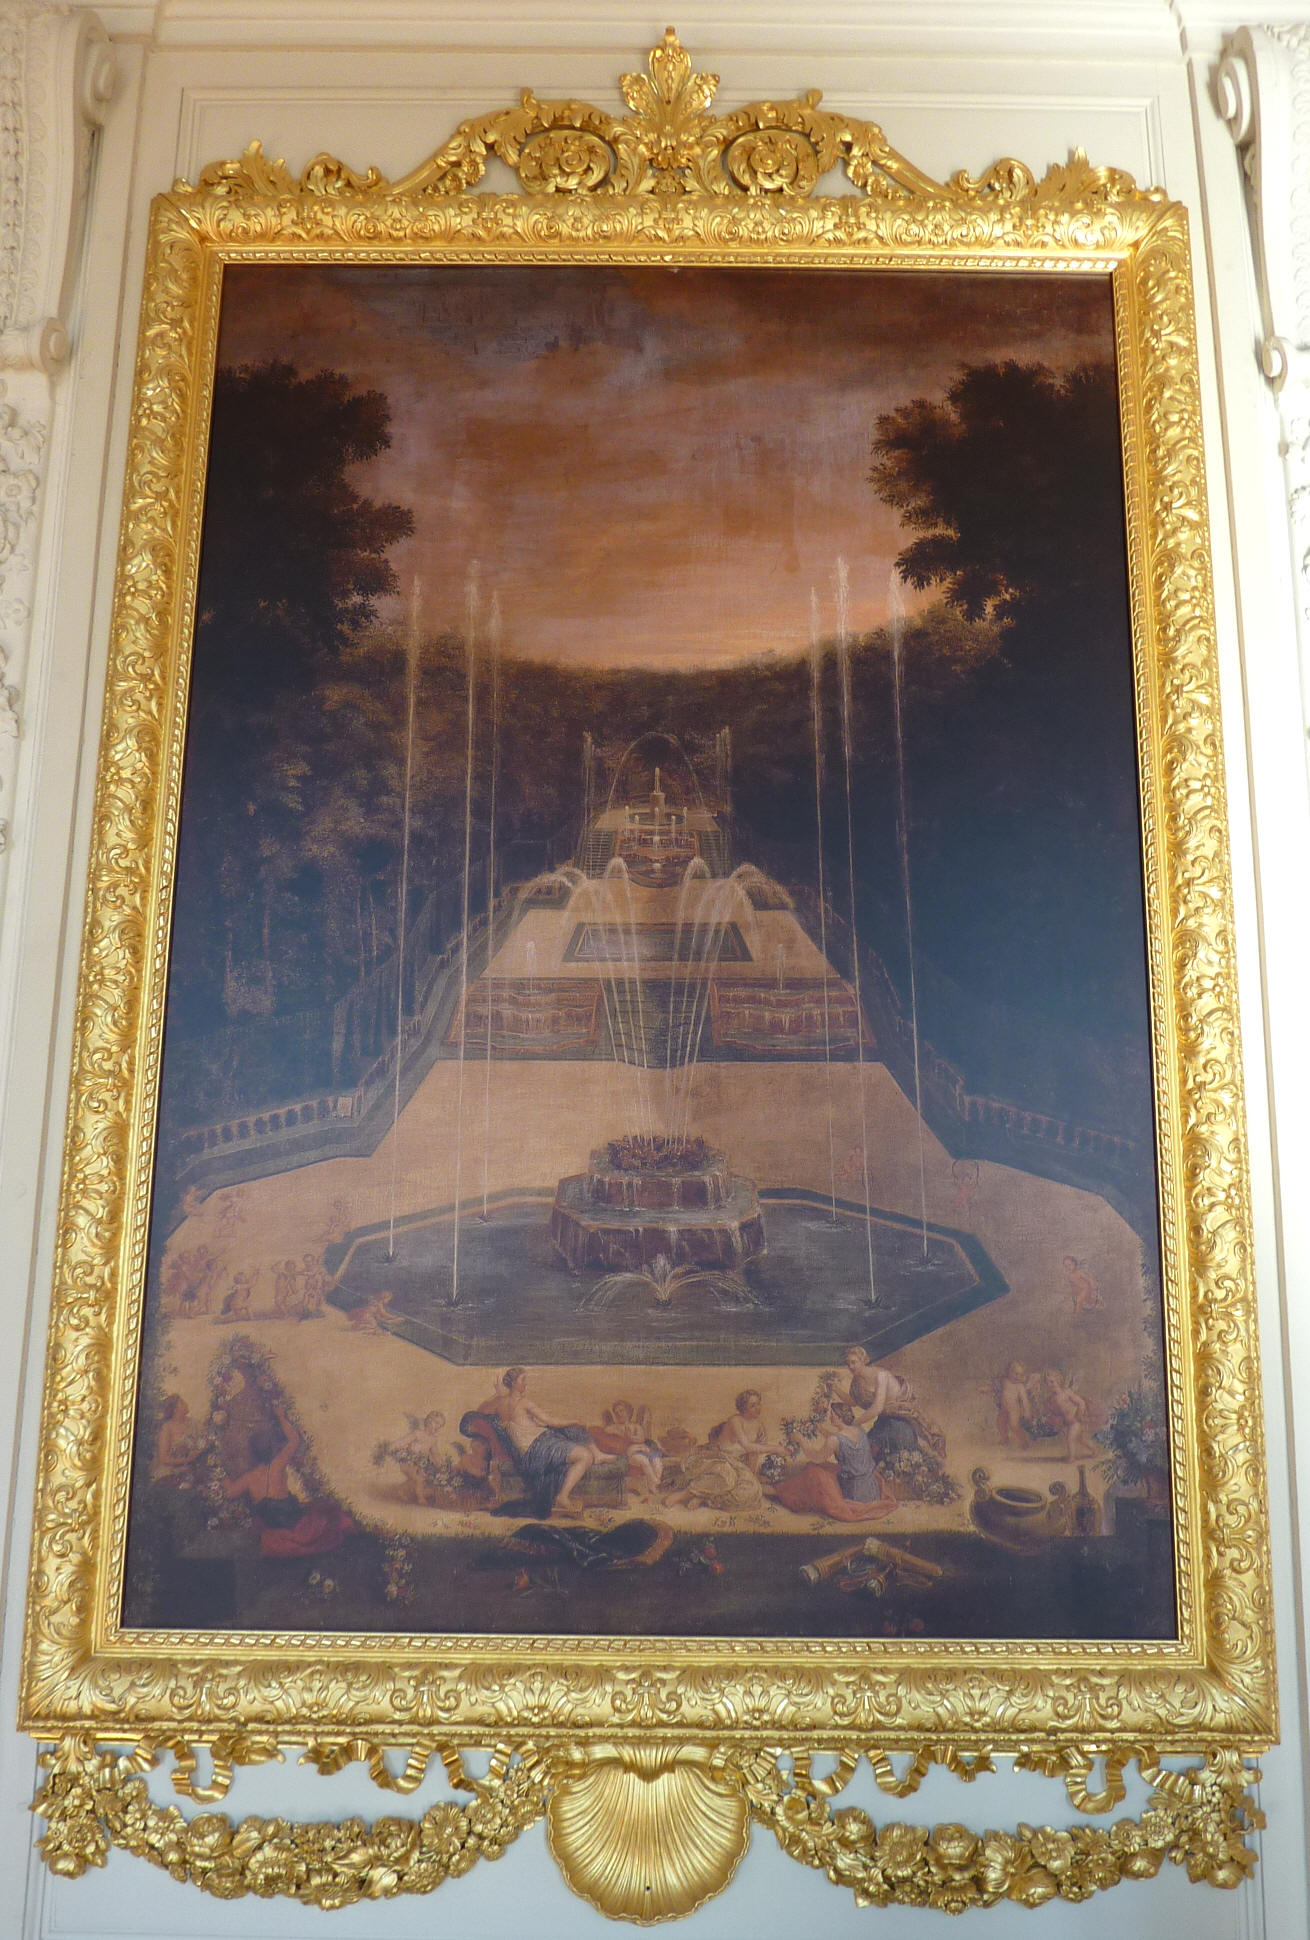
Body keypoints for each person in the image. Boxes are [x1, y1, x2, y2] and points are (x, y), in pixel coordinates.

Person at [222, 1399, 353, 1556]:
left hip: (274, 1526)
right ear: (272, 1449)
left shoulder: (248, 1478)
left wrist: (224, 1476)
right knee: (328, 1514)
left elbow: (229, 1493)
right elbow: (294, 1440)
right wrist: (281, 1416)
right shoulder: (277, 1464)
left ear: (252, 1453)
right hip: (294, 1522)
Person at [483, 1367, 601, 1517]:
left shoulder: (500, 1404)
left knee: (570, 1438)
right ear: (513, 1383)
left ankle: (598, 1455)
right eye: (523, 1380)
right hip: (540, 1448)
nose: (525, 1383)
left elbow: (516, 1424)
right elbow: (551, 1421)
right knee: (585, 1456)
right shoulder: (524, 1402)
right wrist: (575, 1420)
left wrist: (498, 1394)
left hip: (529, 1454)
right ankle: (562, 1497)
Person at [772, 1401, 897, 1522]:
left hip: (853, 1493)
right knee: (828, 1469)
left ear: (839, 1417)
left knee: (813, 1470)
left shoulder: (834, 1440)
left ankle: (781, 1491)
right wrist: (821, 1430)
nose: (830, 1417)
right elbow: (841, 1440)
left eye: (832, 1414)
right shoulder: (859, 1429)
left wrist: (801, 1440)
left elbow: (816, 1457)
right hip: (871, 1490)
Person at [664, 1390, 786, 1511]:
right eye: (752, 1405)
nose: (758, 1408)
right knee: (726, 1476)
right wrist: (776, 1449)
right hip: (718, 1459)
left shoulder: (759, 1427)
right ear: (743, 1408)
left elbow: (753, 1453)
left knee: (751, 1492)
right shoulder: (735, 1421)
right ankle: (682, 1495)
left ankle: (704, 1497)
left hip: (738, 1465)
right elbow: (747, 1446)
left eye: (758, 1403)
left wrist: (751, 1476)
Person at [841, 1345, 944, 1458]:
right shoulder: (857, 1382)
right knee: (868, 1450)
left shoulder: (881, 1376)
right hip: (884, 1419)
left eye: (853, 1362)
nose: (851, 1367)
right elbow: (853, 1401)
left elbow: (877, 1407)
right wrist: (835, 1387)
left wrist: (856, 1422)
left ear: (863, 1360)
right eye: (848, 1364)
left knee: (901, 1452)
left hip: (900, 1418)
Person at [592, 1400, 663, 1498]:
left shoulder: (636, 1426)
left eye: (621, 1411)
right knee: (644, 1461)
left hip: (642, 1450)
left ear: (628, 1412)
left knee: (657, 1461)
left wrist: (631, 1438)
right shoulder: (613, 1427)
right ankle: (655, 1481)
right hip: (631, 1454)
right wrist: (620, 1433)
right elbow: (606, 1432)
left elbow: (641, 1439)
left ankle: (653, 1485)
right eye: (616, 1412)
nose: (619, 1414)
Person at [1042, 1368, 1098, 1462]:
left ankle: (1072, 1457)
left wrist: (1078, 1416)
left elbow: (1081, 1403)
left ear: (1058, 1381)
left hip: (1076, 1421)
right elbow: (1056, 1413)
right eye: (1047, 1383)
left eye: (1052, 1382)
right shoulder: (1051, 1399)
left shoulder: (1066, 1393)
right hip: (1068, 1423)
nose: (1050, 1385)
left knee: (1070, 1439)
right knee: (1082, 1439)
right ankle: (1094, 1449)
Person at [996, 1360, 1033, 1446]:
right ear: (1009, 1371)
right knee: (1000, 1423)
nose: (1018, 1377)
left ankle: (1023, 1441)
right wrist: (987, 1389)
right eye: (1016, 1374)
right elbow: (996, 1388)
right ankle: (1005, 1438)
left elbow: (1025, 1400)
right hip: (1003, 1409)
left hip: (1014, 1410)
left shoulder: (1020, 1386)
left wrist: (1027, 1411)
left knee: (1014, 1426)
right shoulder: (1005, 1381)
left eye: (1020, 1375)